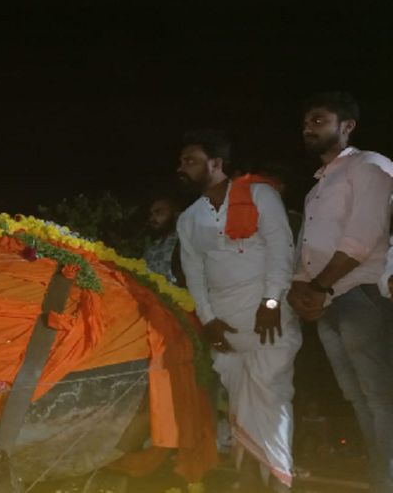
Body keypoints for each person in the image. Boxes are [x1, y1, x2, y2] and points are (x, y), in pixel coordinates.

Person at [176, 129, 301, 491]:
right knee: (240, 400)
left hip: (268, 318)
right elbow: (195, 274)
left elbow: (282, 248)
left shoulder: (260, 194)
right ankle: (248, 477)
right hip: (225, 324)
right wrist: (208, 319)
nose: (181, 167)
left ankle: (280, 482)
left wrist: (272, 301)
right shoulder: (189, 218)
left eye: (190, 160)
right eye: (181, 161)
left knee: (272, 395)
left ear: (216, 163)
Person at [287, 92, 393, 491]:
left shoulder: (370, 166)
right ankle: (381, 474)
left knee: (380, 394)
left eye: (318, 119)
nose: (307, 127)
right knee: (356, 395)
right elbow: (306, 247)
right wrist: (302, 289)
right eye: (306, 122)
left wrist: (317, 286)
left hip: (360, 292)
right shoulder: (317, 187)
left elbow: (362, 238)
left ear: (347, 126)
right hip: (327, 299)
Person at [143, 194, 182, 284]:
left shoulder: (185, 240)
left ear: (176, 214)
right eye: (151, 214)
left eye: (159, 212)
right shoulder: (152, 246)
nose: (152, 218)